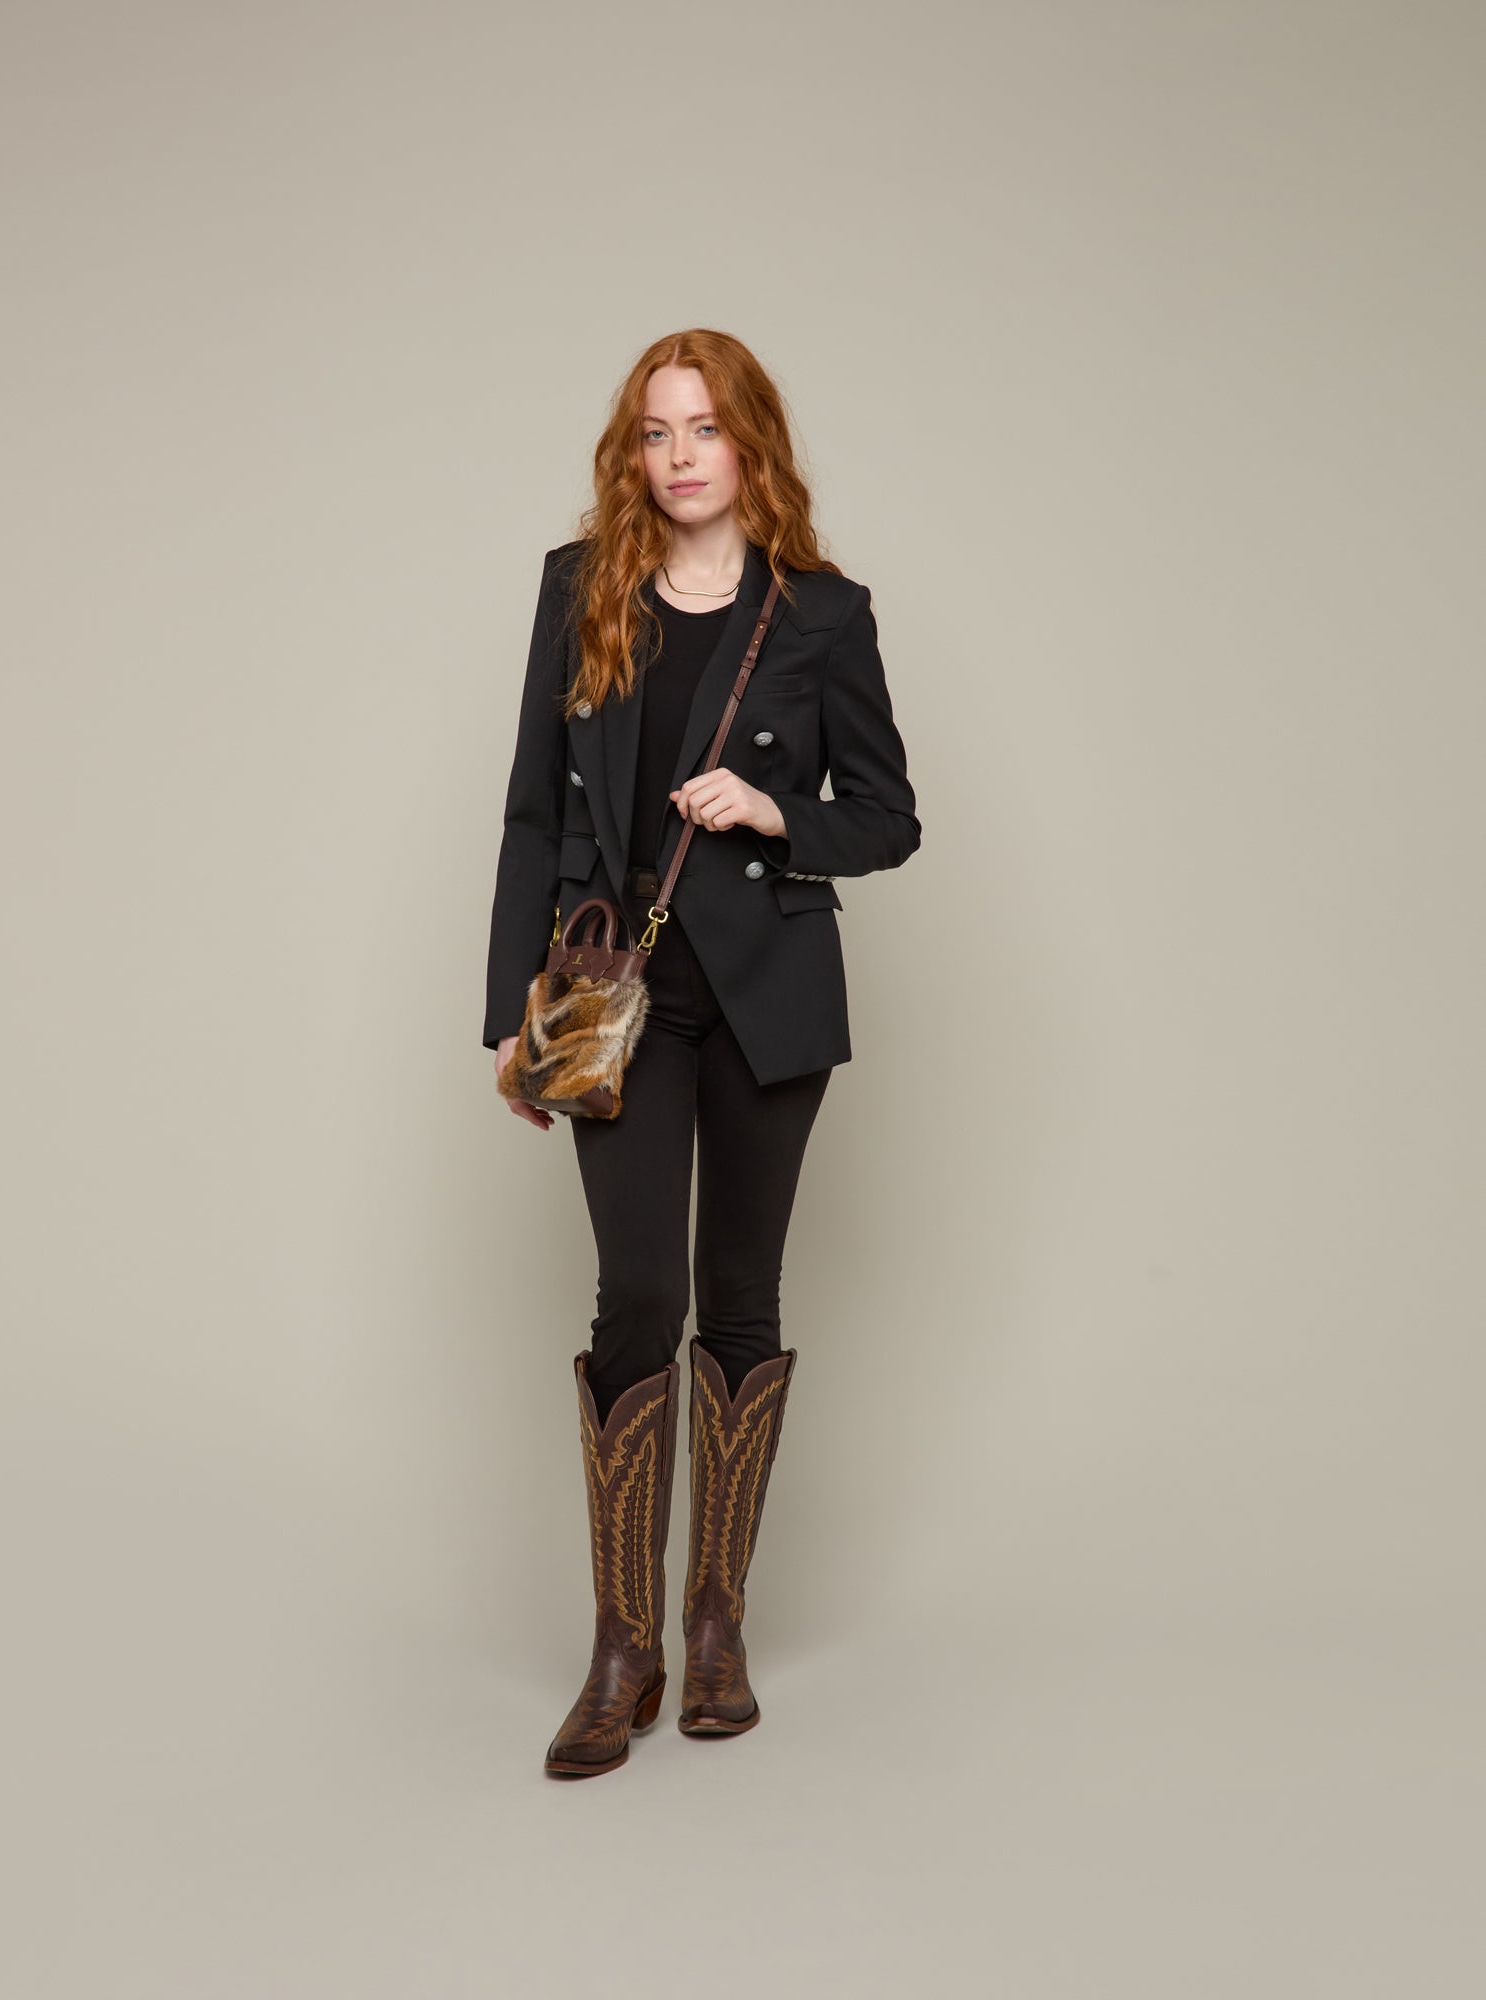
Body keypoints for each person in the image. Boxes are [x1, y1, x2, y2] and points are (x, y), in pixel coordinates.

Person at [482, 329, 922, 1779]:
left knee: (741, 1297)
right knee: (637, 1297)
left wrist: (775, 810)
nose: (680, 456)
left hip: (769, 1000)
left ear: (752, 445)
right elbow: (533, 814)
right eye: (656, 432)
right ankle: (625, 1648)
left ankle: (715, 1625)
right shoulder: (582, 589)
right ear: (636, 453)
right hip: (620, 996)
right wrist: (515, 1016)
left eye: (706, 429)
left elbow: (890, 818)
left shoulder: (822, 613)